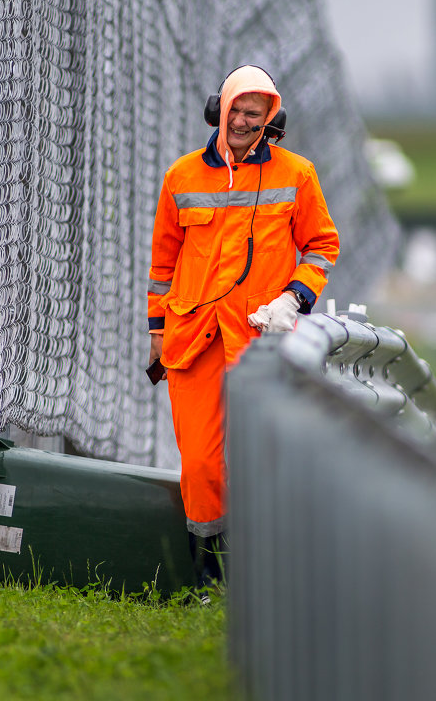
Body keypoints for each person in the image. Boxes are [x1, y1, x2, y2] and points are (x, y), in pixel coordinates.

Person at [146, 65, 340, 587]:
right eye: (237, 111)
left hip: (261, 339)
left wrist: (294, 299)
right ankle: (210, 575)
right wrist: (157, 334)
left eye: (255, 116)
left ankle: (267, 570)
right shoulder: (182, 177)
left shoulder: (295, 174)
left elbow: (322, 246)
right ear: (220, 109)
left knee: (265, 454)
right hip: (194, 339)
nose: (243, 122)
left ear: (270, 122)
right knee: (202, 465)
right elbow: (163, 265)